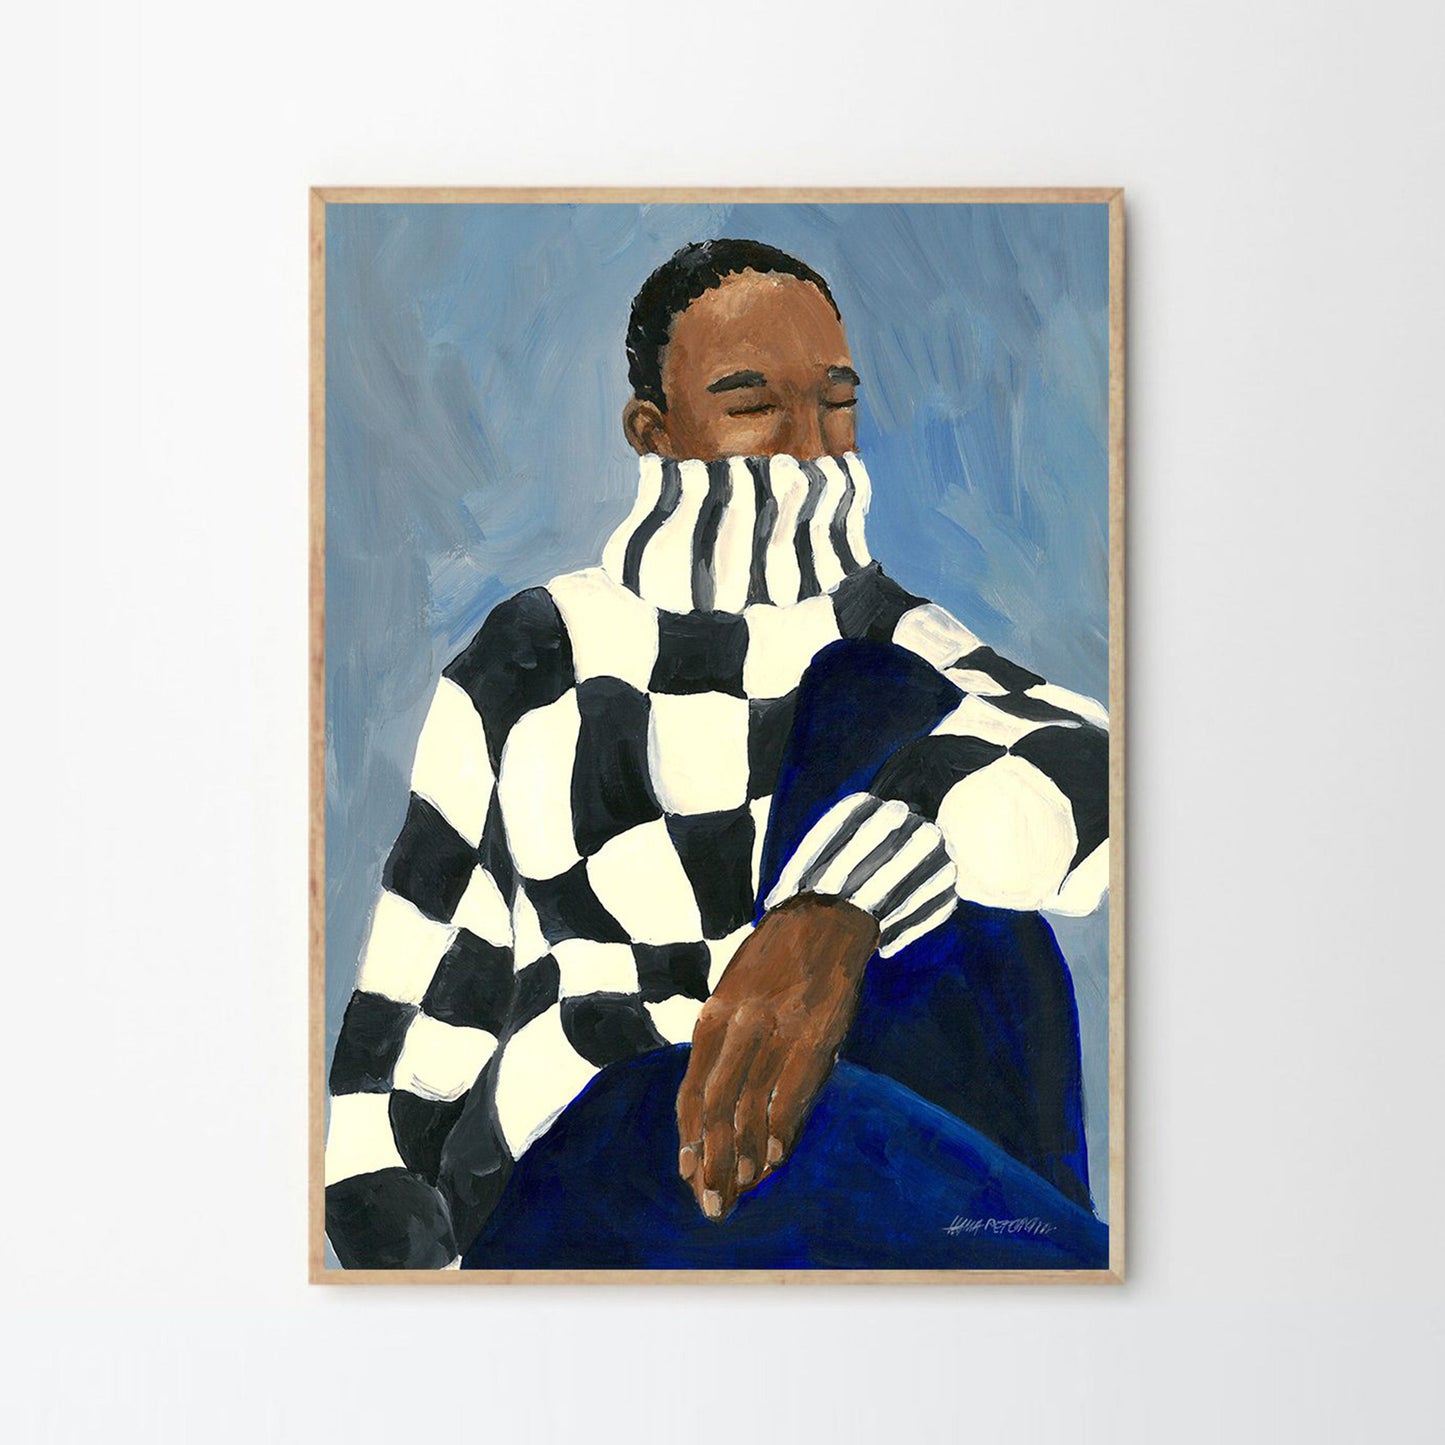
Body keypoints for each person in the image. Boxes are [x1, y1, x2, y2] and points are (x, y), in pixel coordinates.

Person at [323, 239, 1111, 1271]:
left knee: (895, 719)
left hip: (841, 1131)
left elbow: (1096, 764)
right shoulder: (537, 654)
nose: (808, 446)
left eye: (835, 402)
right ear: (652, 432)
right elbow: (405, 1036)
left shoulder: (887, 637)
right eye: (753, 403)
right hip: (602, 1144)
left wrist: (836, 907)